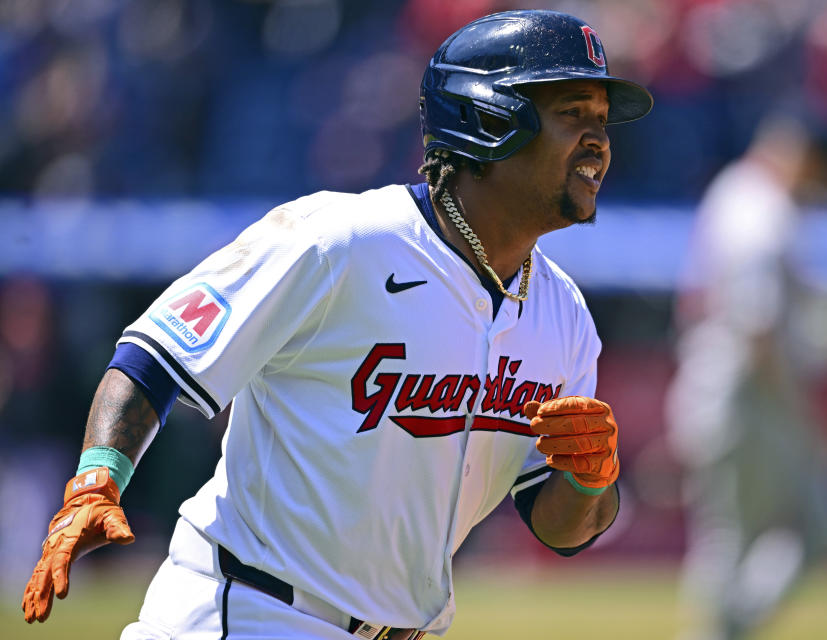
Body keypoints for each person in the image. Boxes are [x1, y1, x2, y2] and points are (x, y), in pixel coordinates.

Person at [21, 10, 652, 639]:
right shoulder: (339, 242)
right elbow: (156, 355)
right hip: (250, 613)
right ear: (489, 117)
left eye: (602, 120)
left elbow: (558, 525)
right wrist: (97, 479)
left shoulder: (563, 316)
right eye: (574, 112)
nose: (599, 140)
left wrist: (589, 479)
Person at [664, 116, 827, 640]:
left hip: (725, 385)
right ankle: (719, 633)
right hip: (746, 394)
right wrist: (802, 411)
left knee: (760, 531)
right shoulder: (761, 212)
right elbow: (758, 327)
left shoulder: (739, 192)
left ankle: (725, 631)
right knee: (757, 532)